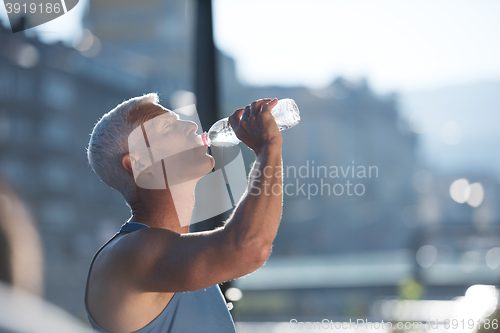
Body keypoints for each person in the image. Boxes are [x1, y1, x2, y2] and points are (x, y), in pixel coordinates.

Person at [85, 93, 284, 332]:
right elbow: (249, 247)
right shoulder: (128, 254)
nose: (191, 125)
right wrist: (268, 147)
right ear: (139, 165)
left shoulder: (180, 257)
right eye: (168, 126)